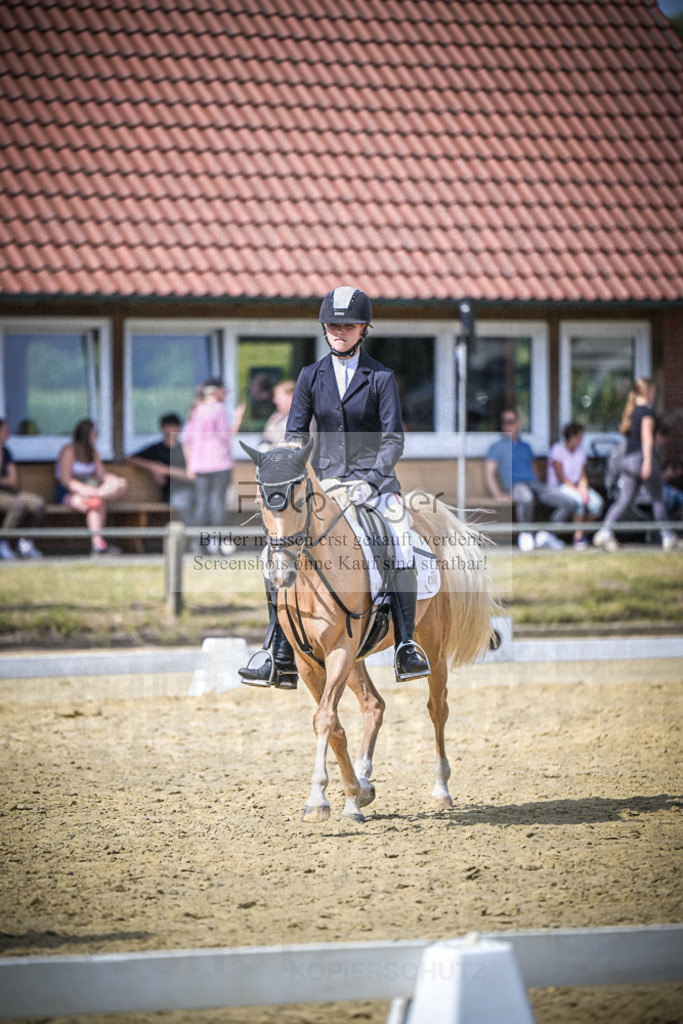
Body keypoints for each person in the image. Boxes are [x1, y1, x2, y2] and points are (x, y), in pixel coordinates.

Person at [239, 285, 430, 690]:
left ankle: (407, 645)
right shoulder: (311, 376)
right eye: (332, 324)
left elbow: (393, 439)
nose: (339, 330)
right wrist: (286, 463)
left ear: (364, 328)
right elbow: (295, 433)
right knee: (275, 551)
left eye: (348, 324)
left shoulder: (380, 377)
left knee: (399, 540)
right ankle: (278, 651)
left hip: (373, 486)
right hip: (324, 483)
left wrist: (371, 481)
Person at [594, 378, 680, 552]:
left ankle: (603, 533)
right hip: (641, 459)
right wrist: (648, 461)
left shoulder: (633, 411)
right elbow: (647, 437)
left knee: (624, 500)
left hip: (627, 461)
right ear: (647, 391)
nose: (655, 394)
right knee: (658, 498)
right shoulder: (647, 411)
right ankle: (668, 537)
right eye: (654, 390)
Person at [485, 409, 575, 548]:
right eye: (504, 422)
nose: (506, 425)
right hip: (514, 486)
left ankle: (546, 535)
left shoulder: (526, 446)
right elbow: (489, 473)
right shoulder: (497, 447)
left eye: (510, 422)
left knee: (569, 502)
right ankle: (525, 534)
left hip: (533, 484)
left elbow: (535, 471)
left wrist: (540, 488)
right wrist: (497, 495)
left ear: (517, 423)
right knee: (526, 499)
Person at [182, 379, 245, 553]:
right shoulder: (219, 409)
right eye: (224, 391)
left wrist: (190, 464)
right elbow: (225, 436)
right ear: (216, 391)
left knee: (202, 503)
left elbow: (186, 440)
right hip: (220, 463)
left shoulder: (196, 410)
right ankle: (217, 543)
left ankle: (200, 543)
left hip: (200, 464)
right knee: (217, 503)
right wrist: (238, 419)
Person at [56, 419, 128, 555]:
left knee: (117, 486)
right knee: (94, 503)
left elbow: (102, 475)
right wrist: (87, 491)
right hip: (70, 491)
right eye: (95, 433)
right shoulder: (69, 450)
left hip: (93, 490)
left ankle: (97, 544)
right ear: (85, 434)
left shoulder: (93, 453)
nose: (97, 437)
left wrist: (112, 480)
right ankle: (98, 544)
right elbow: (66, 480)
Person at [126, 413, 195, 525]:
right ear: (163, 428)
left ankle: (207, 537)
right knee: (181, 502)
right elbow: (130, 459)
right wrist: (153, 466)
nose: (173, 430)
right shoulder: (156, 449)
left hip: (192, 490)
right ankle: (196, 538)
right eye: (169, 426)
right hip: (173, 493)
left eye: (175, 426)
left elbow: (192, 475)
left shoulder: (185, 450)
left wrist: (165, 470)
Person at [548, 422, 604, 549]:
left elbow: (582, 475)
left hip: (576, 486)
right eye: (579, 436)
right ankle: (578, 538)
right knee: (578, 501)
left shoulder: (581, 452)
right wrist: (578, 491)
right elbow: (561, 477)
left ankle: (583, 534)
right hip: (559, 486)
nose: (581, 440)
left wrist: (583, 488)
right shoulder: (557, 449)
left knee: (596, 503)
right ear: (571, 436)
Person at [0, 418, 45, 560]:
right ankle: (3, 542)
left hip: (10, 491)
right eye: (5, 430)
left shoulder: (6, 452)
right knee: (17, 505)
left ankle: (26, 543)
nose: (8, 433)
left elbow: (13, 481)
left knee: (37, 503)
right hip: (4, 494)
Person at [259, 380, 296, 451]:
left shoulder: (305, 419)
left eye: (278, 396)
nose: (274, 400)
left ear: (291, 395)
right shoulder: (275, 418)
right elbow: (264, 441)